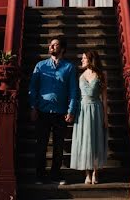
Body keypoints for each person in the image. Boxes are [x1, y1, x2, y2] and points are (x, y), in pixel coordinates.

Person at [29, 37, 78, 184]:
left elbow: (73, 90)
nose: (51, 47)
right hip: (42, 112)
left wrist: (71, 110)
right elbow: (33, 88)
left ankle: (55, 175)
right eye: (51, 45)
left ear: (62, 49)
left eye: (55, 45)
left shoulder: (69, 67)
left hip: (61, 113)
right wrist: (33, 107)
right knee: (41, 145)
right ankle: (40, 176)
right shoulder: (40, 66)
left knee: (58, 146)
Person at [69, 50, 108, 184]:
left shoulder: (101, 75)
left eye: (84, 58)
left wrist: (105, 117)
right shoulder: (80, 76)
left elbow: (104, 98)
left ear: (91, 59)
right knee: (85, 140)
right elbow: (77, 95)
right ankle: (87, 174)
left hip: (96, 109)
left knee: (95, 139)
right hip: (83, 111)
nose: (82, 60)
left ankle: (96, 173)